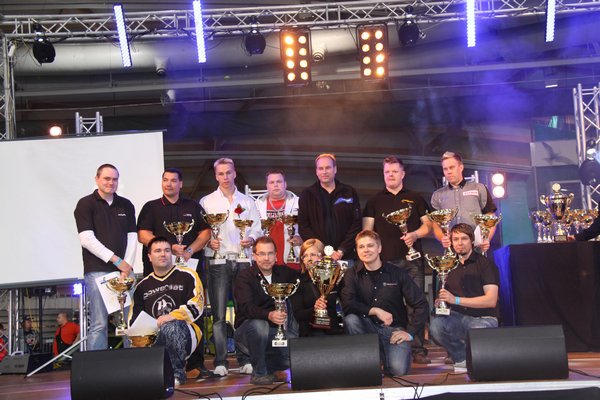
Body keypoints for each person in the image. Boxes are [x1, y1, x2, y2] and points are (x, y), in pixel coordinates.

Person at [137, 168, 212, 377]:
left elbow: (206, 232)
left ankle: (195, 364)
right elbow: (143, 235)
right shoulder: (151, 207)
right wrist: (170, 248)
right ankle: (157, 364)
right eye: (165, 180)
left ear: (181, 184)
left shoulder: (193, 207)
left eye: (173, 180)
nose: (168, 184)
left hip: (189, 270)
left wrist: (189, 250)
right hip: (158, 273)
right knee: (157, 313)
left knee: (194, 313)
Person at [362, 156, 432, 364]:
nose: (390, 175)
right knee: (387, 305)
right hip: (385, 263)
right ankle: (389, 347)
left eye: (394, 171)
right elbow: (366, 232)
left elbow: (428, 226)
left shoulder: (415, 198)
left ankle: (417, 348)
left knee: (416, 304)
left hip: (412, 260)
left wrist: (415, 235)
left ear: (403, 174)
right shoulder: (374, 201)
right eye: (387, 172)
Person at [200, 158, 261, 376]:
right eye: (221, 173)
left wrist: (251, 239)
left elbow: (257, 228)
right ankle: (220, 362)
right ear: (216, 176)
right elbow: (202, 232)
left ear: (235, 173)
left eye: (228, 172)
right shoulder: (207, 202)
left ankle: (245, 359)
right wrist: (209, 242)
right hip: (217, 261)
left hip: (243, 261)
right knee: (218, 315)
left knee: (243, 312)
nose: (225, 177)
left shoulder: (248, 201)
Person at [340, 230, 429, 377]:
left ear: (379, 248)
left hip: (393, 332)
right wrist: (374, 310)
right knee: (351, 320)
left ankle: (384, 358)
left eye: (370, 246)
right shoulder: (351, 273)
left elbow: (421, 304)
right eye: (361, 247)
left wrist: (410, 332)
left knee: (398, 370)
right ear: (356, 250)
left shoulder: (397, 273)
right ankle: (369, 362)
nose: (366, 250)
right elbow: (347, 303)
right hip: (367, 329)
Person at [74, 163, 137, 351]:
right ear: (97, 179)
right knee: (99, 323)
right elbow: (86, 239)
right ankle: (96, 366)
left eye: (114, 179)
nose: (111, 182)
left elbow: (132, 237)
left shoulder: (126, 204)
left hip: (124, 273)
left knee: (128, 322)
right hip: (97, 271)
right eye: (107, 178)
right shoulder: (85, 204)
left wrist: (126, 266)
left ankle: (133, 364)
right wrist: (117, 260)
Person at [129, 237, 204, 386]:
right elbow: (133, 320)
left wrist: (172, 316)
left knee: (171, 327)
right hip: (155, 336)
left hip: (185, 332)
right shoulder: (141, 287)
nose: (163, 254)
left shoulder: (188, 275)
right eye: (158, 251)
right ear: (149, 256)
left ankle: (176, 375)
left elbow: (197, 305)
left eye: (167, 250)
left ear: (172, 254)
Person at [429, 223, 499, 372]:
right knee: (436, 326)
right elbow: (445, 299)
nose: (460, 243)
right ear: (451, 242)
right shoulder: (446, 266)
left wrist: (455, 300)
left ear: (472, 241)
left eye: (464, 238)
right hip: (457, 318)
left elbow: (491, 300)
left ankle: (476, 358)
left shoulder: (485, 264)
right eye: (456, 239)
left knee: (477, 329)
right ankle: (461, 358)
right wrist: (441, 302)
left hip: (483, 318)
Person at [233, 236, 300, 385]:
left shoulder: (284, 273)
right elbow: (246, 307)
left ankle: (270, 367)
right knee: (259, 325)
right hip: (248, 333)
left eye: (270, 253)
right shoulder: (244, 276)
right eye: (262, 254)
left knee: (294, 352)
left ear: (276, 255)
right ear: (254, 256)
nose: (266, 258)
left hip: (274, 334)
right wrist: (268, 315)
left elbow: (304, 278)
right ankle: (259, 373)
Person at [298, 153, 362, 264]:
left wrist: (342, 250)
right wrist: (323, 250)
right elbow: (304, 227)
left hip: (345, 257)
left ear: (335, 169)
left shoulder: (349, 192)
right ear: (316, 171)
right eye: (320, 168)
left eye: (328, 168)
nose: (324, 172)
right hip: (318, 258)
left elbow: (356, 225)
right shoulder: (307, 194)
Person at [430, 152, 497, 254]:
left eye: (452, 167)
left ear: (461, 167)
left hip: (476, 249)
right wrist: (442, 238)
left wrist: (486, 238)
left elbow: (490, 216)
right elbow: (435, 224)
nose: (449, 172)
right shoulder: (437, 195)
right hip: (452, 251)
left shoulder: (479, 188)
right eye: (445, 169)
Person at [290, 238, 340, 336]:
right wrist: (315, 308)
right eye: (305, 256)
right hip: (310, 331)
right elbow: (298, 314)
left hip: (333, 328)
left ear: (322, 256)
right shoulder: (298, 281)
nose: (309, 259)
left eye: (313, 255)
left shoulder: (333, 276)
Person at [255, 170, 302, 270]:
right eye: (272, 182)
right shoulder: (256, 205)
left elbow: (308, 225)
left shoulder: (299, 202)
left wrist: (302, 238)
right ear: (267, 185)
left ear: (285, 184)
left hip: (292, 257)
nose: (275, 185)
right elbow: (253, 229)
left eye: (279, 181)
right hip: (265, 259)